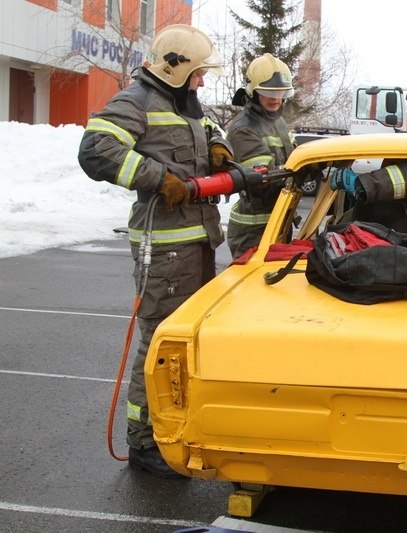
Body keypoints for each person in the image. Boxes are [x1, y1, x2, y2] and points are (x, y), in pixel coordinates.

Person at [78, 24, 231, 478]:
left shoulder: (183, 102)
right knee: (160, 346)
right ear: (175, 68)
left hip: (196, 240)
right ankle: (144, 443)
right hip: (164, 248)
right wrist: (157, 179)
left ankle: (175, 426)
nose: (203, 81)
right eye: (199, 73)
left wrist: (219, 147)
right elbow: (96, 151)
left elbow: (206, 128)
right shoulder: (136, 101)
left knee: (185, 343)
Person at [226, 54, 295, 259]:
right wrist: (302, 170)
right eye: (268, 92)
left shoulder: (278, 123)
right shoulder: (243, 128)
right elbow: (264, 180)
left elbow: (293, 156)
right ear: (253, 92)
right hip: (253, 231)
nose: (275, 98)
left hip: (277, 223)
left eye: (281, 92)